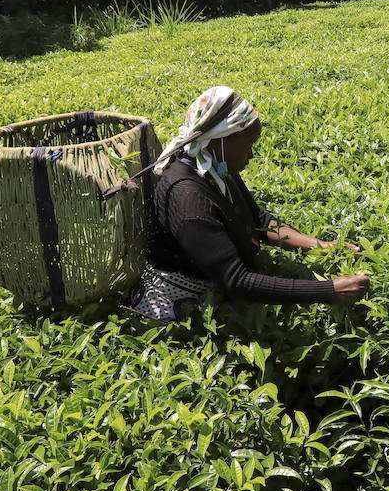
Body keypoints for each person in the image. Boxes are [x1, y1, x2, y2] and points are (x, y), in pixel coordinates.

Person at [128, 86, 370, 322]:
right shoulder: (189, 199)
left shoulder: (214, 165)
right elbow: (236, 281)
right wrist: (329, 290)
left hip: (220, 285)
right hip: (186, 306)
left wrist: (320, 245)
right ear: (218, 141)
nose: (251, 155)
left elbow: (258, 220)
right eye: (247, 147)